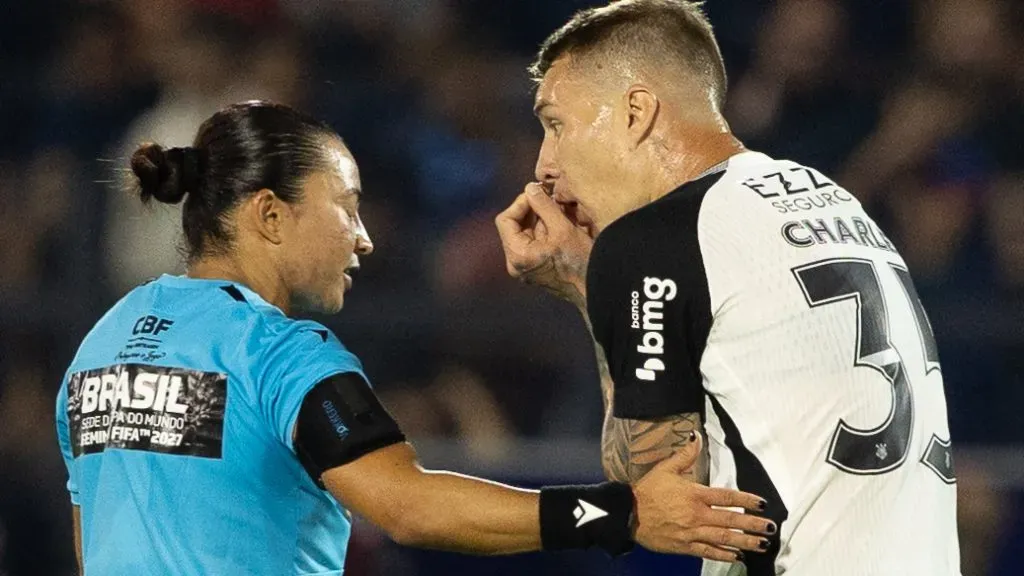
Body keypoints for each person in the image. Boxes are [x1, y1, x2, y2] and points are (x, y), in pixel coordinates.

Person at [54, 100, 776, 575]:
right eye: (346, 207)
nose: (364, 239)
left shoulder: (97, 349)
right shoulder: (282, 356)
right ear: (270, 215)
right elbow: (408, 506)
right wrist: (625, 511)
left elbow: (94, 552)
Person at [495, 1, 960, 575]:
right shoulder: (832, 199)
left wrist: (587, 288)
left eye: (555, 124)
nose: (545, 166)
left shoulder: (651, 239)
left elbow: (661, 491)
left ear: (636, 111)